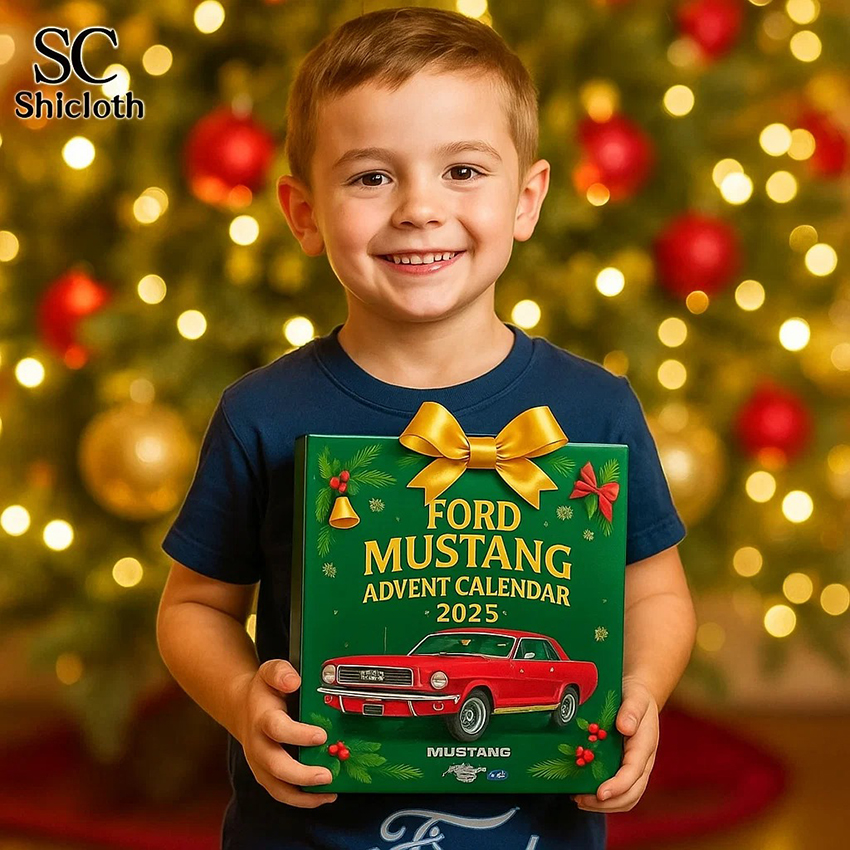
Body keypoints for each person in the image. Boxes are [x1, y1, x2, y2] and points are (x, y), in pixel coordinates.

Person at [156, 6, 697, 849]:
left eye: (463, 171)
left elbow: (656, 591)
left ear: (526, 200)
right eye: (371, 177)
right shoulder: (263, 413)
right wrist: (240, 700)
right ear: (303, 213)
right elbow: (193, 606)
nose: (418, 208)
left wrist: (645, 693)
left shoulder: (596, 410)